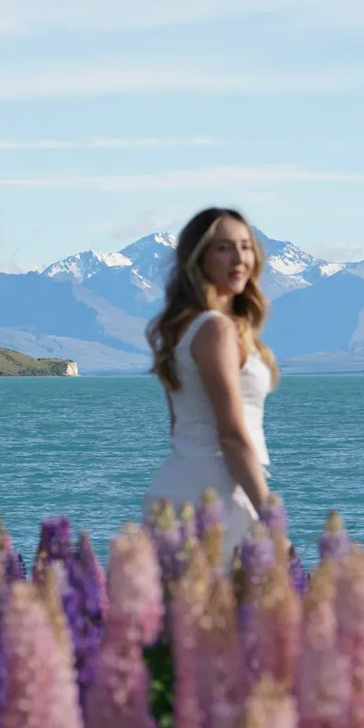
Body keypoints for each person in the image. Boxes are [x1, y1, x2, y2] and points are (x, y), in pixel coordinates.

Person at [142, 206, 279, 562]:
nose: (239, 258)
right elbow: (231, 435)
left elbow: (178, 426)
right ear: (199, 257)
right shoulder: (215, 329)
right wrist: (272, 520)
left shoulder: (181, 330)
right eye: (223, 247)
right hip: (219, 497)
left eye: (246, 246)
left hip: (177, 486)